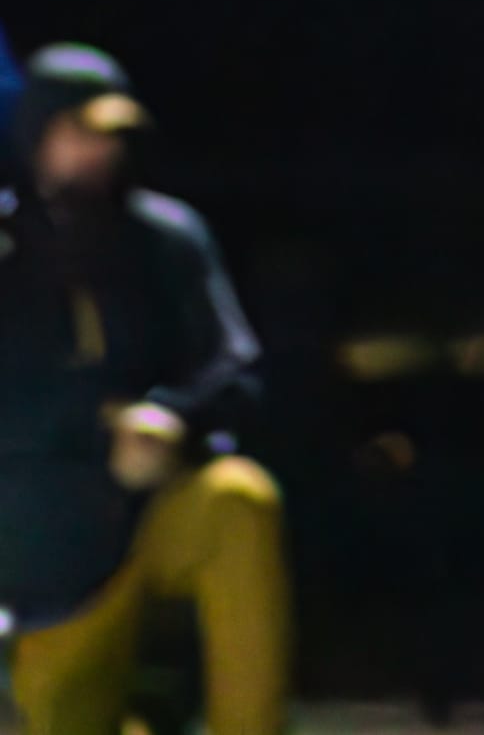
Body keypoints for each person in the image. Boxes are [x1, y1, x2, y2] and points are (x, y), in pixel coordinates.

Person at [0, 43, 290, 735]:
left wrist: (174, 418)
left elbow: (236, 364)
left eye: (112, 136)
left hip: (149, 514)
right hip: (47, 569)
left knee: (238, 500)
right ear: (36, 136)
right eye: (79, 134)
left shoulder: (166, 238)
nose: (99, 152)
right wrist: (96, 427)